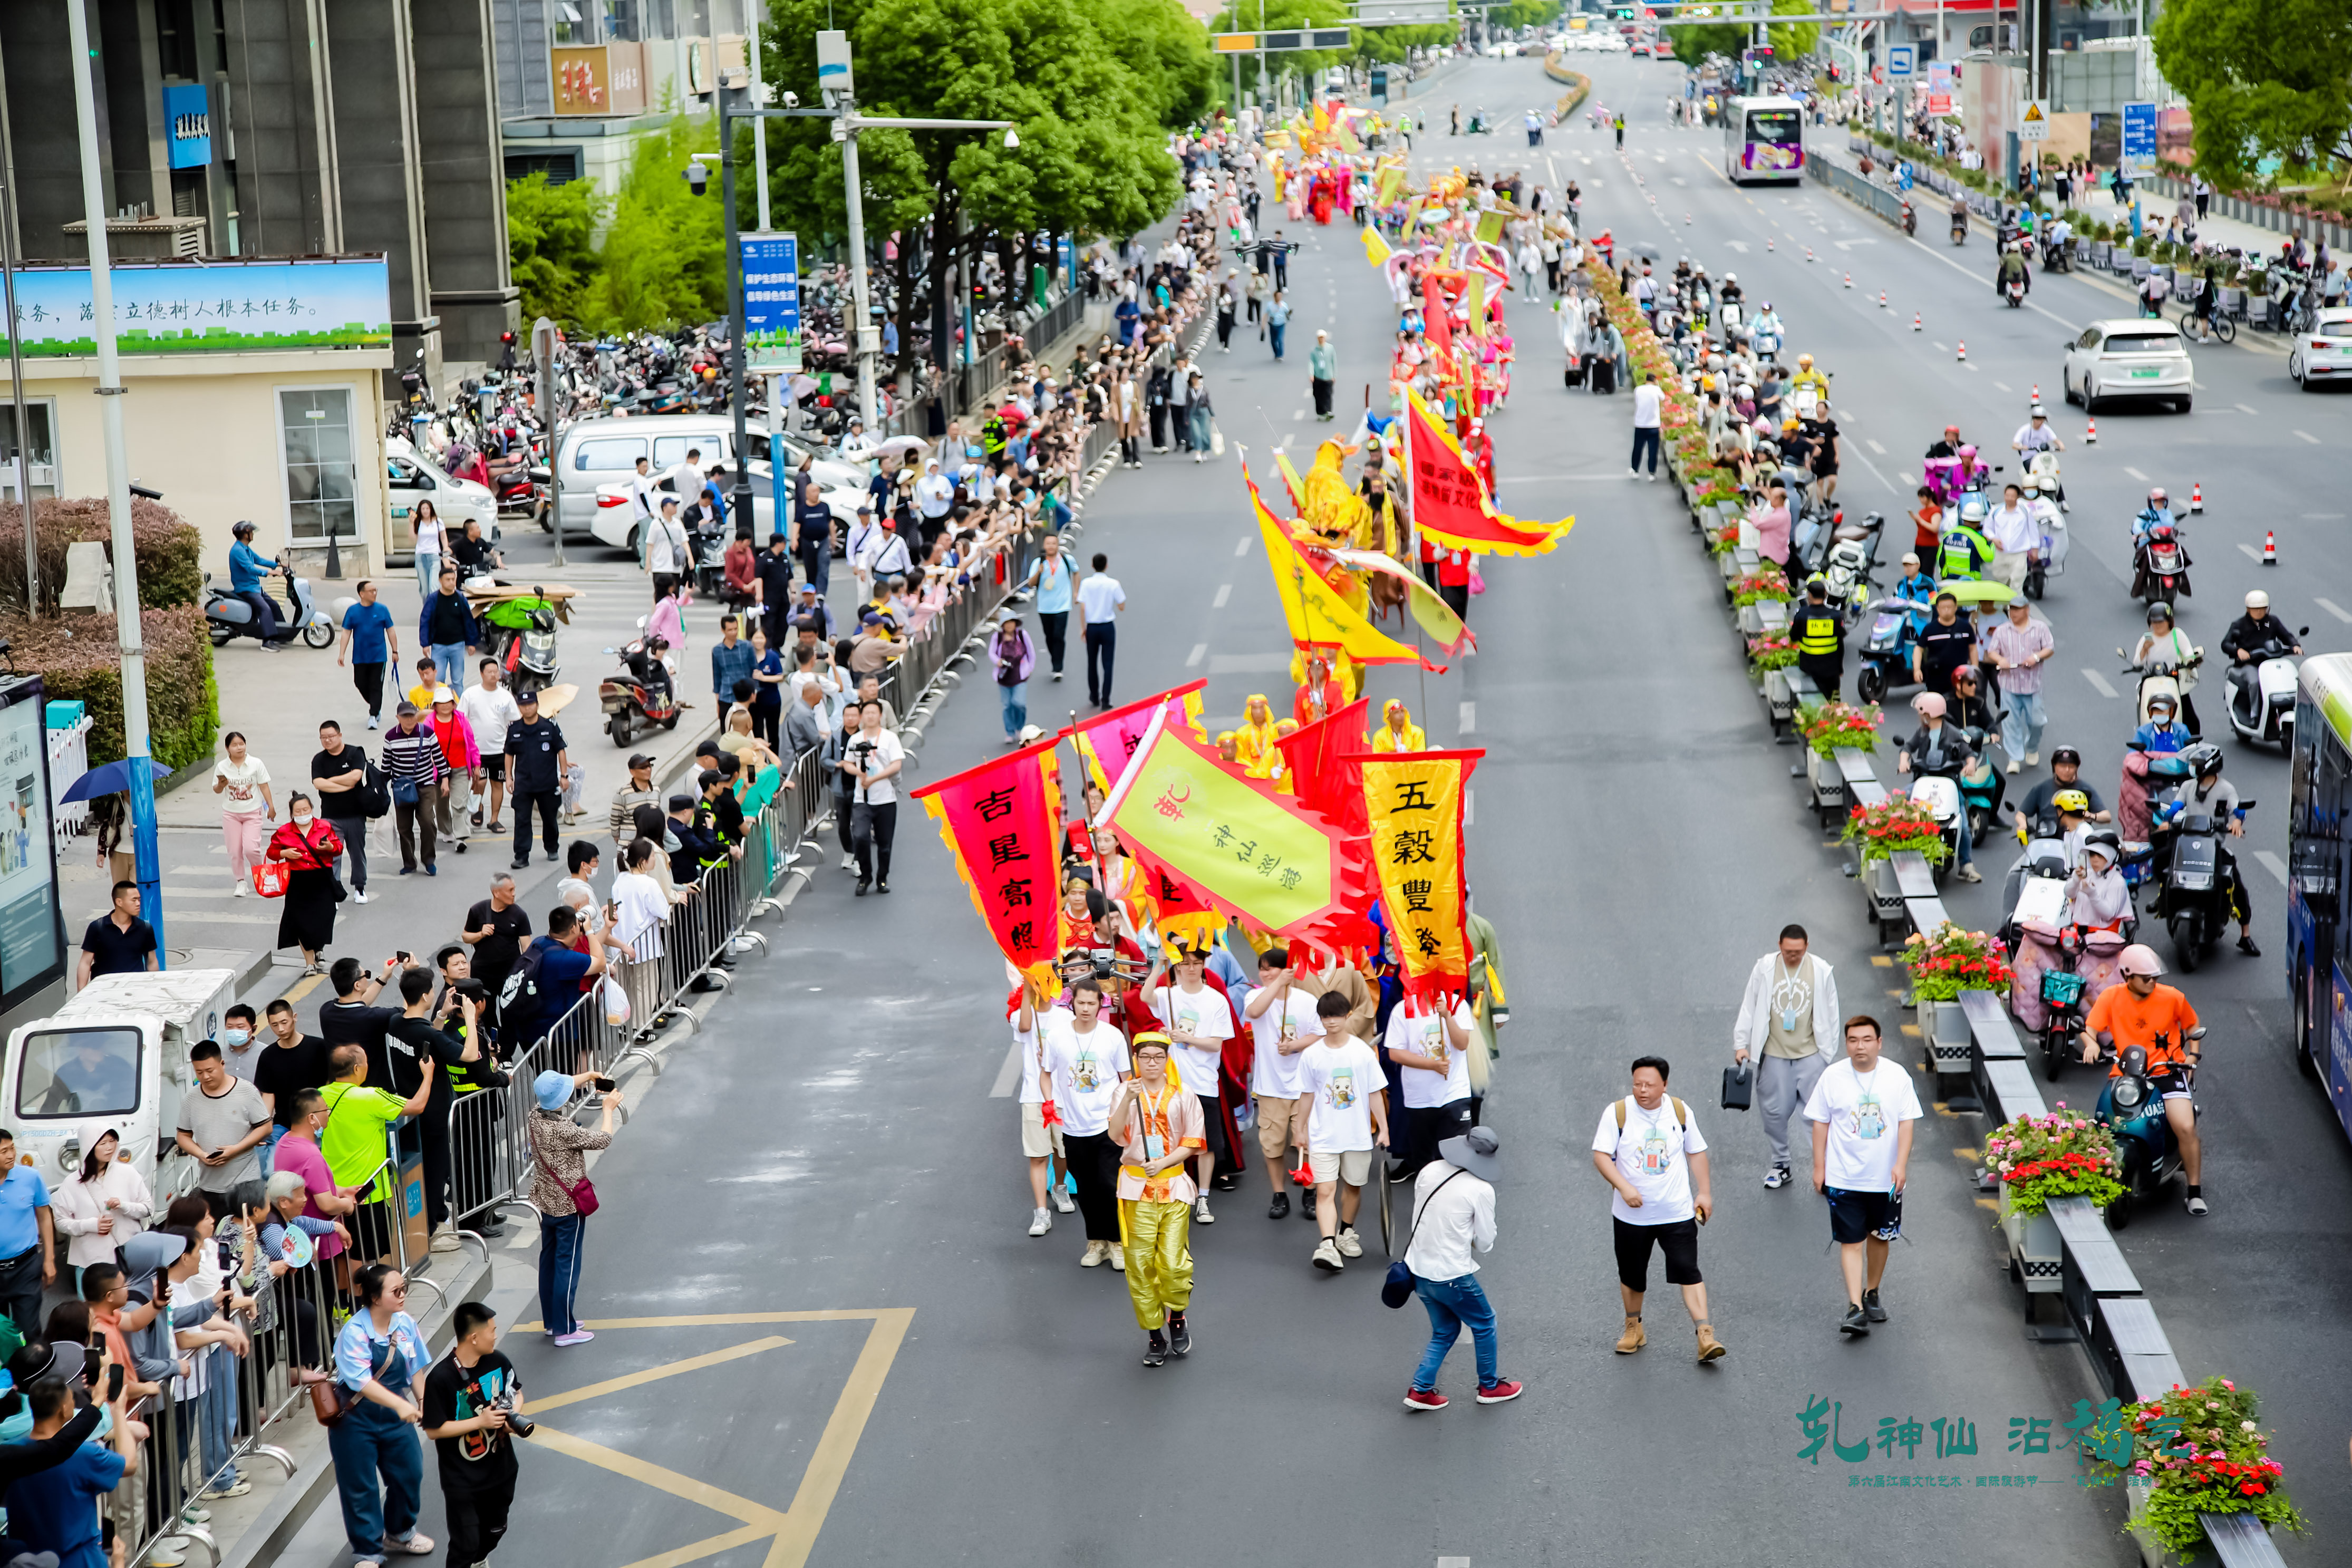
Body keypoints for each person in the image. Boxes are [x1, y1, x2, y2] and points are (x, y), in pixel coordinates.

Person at [1591, 1056, 1725, 1363]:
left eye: (1650, 1085)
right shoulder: (1618, 1113)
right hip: (1631, 1217)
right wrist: (1624, 1187)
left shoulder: (1679, 1111)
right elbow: (1601, 1155)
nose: (1642, 1090)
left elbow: (1697, 1152)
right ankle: (1633, 1327)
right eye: (1637, 1083)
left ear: (1664, 1085)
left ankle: (1705, 1335)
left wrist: (1704, 1192)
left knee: (1688, 1271)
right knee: (1632, 1275)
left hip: (1676, 1212)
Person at [1805, 1015, 1921, 1336]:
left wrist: (1901, 1164)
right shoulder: (1832, 1077)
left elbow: (1907, 1123)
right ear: (1847, 1044)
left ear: (1879, 1043)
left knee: (1879, 1237)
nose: (1860, 1046)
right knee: (1851, 1241)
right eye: (1854, 1040)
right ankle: (1854, 1306)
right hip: (1844, 1178)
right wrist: (1819, 1166)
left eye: (1867, 1040)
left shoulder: (1896, 1076)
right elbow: (1820, 1123)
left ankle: (1872, 1292)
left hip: (1885, 1178)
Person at [1400, 1125, 1520, 1411]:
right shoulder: (1480, 1189)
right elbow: (1486, 1241)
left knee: (1445, 1330)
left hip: (1418, 1270)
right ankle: (1490, 1387)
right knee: (1485, 1322)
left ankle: (1421, 1390)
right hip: (1452, 1275)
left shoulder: (1430, 1171)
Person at [2078, 944, 2206, 1211]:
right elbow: (2089, 1029)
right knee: (2105, 1126)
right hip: (2127, 1074)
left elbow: (2193, 1027)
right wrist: (2091, 1044)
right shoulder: (2111, 997)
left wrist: (2192, 1058)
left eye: (2155, 977)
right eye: (2146, 978)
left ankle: (2194, 1191)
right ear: (2127, 976)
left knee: (2185, 1127)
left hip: (2166, 1073)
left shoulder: (2172, 997)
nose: (2152, 982)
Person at [327, 1262, 435, 1562]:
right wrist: (402, 1404)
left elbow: (415, 1367)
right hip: (354, 1419)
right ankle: (368, 1551)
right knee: (360, 1486)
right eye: (396, 1291)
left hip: (393, 1419)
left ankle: (400, 1533)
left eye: (405, 1289)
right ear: (376, 1298)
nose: (403, 1296)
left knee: (410, 1473)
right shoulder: (354, 1332)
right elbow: (360, 1380)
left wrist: (422, 1400)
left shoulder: (406, 1324)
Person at [1109, 1034, 1202, 1368]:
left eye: (1157, 1057)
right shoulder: (1124, 1092)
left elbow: (1193, 1141)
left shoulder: (1183, 1094)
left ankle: (1177, 1316)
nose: (1151, 1063)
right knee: (1140, 1265)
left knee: (1174, 1263)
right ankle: (1154, 1334)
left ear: (1166, 1060)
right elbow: (1114, 1134)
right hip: (1136, 1189)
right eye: (1145, 1057)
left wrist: (1162, 1164)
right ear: (1136, 1060)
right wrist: (1126, 1102)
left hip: (1174, 1186)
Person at [1730, 924, 1839, 1190]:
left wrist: (1827, 1054)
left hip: (1810, 1055)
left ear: (1807, 946)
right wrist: (1741, 1044)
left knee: (1816, 1116)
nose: (1794, 956)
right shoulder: (1765, 968)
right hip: (1774, 1055)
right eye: (1789, 951)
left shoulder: (1821, 970)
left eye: (1799, 951)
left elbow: (1832, 1011)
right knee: (1774, 1113)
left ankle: (1823, 1170)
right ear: (1780, 946)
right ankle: (1781, 1164)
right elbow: (1750, 1005)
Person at [1290, 990, 1390, 1274]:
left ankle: (1346, 1233)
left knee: (1354, 1187)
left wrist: (1383, 1129)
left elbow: (1374, 1093)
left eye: (1336, 1016)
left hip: (1357, 1135)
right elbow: (1307, 1096)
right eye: (1325, 1017)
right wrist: (1300, 1129)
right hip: (1323, 1136)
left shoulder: (1362, 1052)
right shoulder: (1311, 1055)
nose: (1331, 1022)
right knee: (1325, 1190)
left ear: (1347, 1016)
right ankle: (1328, 1244)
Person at [421, 1300, 523, 1568]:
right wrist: (481, 1421)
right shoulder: (441, 1379)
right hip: (462, 1480)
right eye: (492, 1330)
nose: (495, 1335)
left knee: (495, 1531)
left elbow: (517, 1393)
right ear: (474, 1337)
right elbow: (433, 1430)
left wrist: (511, 1416)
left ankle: (479, 1561)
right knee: (464, 1544)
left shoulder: (498, 1361)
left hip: (501, 1471)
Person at [5, 1372, 140, 1568]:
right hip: (81, 1560)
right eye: (72, 1400)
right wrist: (118, 1411)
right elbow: (129, 1465)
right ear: (64, 1408)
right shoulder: (83, 1454)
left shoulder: (12, 1454)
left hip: (27, 1561)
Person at [526, 1070, 617, 1346]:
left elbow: (556, 1090)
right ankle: (566, 1330)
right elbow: (603, 1139)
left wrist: (589, 1075)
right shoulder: (563, 1130)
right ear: (562, 1099)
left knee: (549, 1262)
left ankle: (554, 1322)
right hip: (568, 1205)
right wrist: (608, 1109)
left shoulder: (534, 1117)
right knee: (568, 1265)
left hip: (547, 1202)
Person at [175, 1040, 272, 1221]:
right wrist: (201, 1154)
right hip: (209, 1185)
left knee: (246, 1238)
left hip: (246, 1183)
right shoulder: (191, 1098)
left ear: (222, 1064)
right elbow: (183, 1136)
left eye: (210, 1071)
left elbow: (265, 1127)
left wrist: (236, 1149)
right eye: (199, 1072)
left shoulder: (246, 1091)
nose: (205, 1077)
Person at [2181, 743, 2259, 955]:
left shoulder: (2226, 789)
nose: (2192, 767)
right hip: (2188, 844)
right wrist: (2166, 820)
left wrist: (2237, 822)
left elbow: (2239, 809)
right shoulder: (2188, 786)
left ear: (2208, 766)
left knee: (2237, 884)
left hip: (2215, 846)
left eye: (2196, 764)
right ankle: (2163, 900)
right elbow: (2175, 807)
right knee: (2163, 863)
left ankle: (2245, 935)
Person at [267, 791, 344, 975]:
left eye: (305, 810)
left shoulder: (324, 827)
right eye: (298, 811)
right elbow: (272, 852)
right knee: (300, 922)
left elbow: (338, 848)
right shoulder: (284, 831)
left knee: (325, 916)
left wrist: (330, 847)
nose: (302, 814)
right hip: (298, 880)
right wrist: (286, 854)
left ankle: (319, 948)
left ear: (312, 809)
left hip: (321, 878)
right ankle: (309, 963)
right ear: (292, 813)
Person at [1983, 592, 2055, 772]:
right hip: (2009, 685)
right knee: (2011, 724)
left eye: (2017, 610)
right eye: (2011, 610)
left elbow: (2049, 648)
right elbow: (1992, 651)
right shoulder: (2002, 630)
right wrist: (2000, 660)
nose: (2013, 613)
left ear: (2027, 610)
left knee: (2037, 722)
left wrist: (2036, 657)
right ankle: (2014, 759)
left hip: (2033, 685)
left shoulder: (2039, 628)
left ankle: (2032, 748)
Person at [505, 688, 569, 869]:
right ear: (519, 707)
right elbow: (509, 753)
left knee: (549, 818)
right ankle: (522, 856)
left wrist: (564, 776)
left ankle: (551, 847)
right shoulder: (514, 729)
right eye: (523, 705)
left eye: (530, 704)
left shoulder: (549, 727)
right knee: (522, 820)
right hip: (523, 784)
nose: (527, 708)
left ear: (537, 705)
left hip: (547, 782)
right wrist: (509, 778)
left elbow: (561, 750)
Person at [2221, 590, 2303, 721]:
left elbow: (2286, 636)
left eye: (2262, 609)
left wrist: (2295, 645)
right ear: (2248, 609)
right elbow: (2225, 644)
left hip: (2271, 664)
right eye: (2255, 609)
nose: (2259, 612)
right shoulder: (2239, 625)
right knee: (2254, 682)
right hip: (2250, 665)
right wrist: (2238, 651)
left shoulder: (2273, 622)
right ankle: (2254, 714)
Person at [214, 731, 276, 896]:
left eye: (242, 744)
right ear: (228, 748)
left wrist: (271, 807)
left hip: (252, 812)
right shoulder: (222, 766)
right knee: (234, 851)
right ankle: (241, 882)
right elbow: (217, 789)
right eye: (235, 745)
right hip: (231, 814)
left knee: (251, 849)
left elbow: (264, 786)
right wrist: (221, 784)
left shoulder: (256, 763)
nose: (239, 747)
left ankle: (260, 876)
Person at [2131, 604, 2202, 737]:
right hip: (2152, 678)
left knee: (2190, 717)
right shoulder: (2147, 638)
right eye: (2154, 622)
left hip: (2173, 676)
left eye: (2161, 622)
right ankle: (2143, 730)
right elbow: (2137, 662)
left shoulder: (2177, 634)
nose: (2157, 625)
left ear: (2169, 621)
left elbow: (2188, 651)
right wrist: (2144, 649)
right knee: (2143, 700)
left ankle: (2194, 743)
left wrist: (2190, 660)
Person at [339, 579, 399, 729]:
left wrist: (395, 651)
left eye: (376, 590)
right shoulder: (353, 611)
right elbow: (346, 632)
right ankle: (375, 704)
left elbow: (390, 630)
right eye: (371, 591)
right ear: (362, 594)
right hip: (360, 656)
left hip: (379, 656)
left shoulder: (382, 609)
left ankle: (373, 715)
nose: (375, 593)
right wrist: (342, 654)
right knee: (359, 683)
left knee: (375, 685)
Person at [76, 880, 157, 988]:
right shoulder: (98, 928)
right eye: (134, 900)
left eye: (139, 900)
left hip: (135, 989)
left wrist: (153, 987)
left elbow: (152, 962)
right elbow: (85, 963)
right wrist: (81, 994)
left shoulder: (145, 928)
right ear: (119, 902)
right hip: (104, 989)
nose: (138, 904)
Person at [1077, 551, 1124, 711]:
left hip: (1092, 626)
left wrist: (1083, 627)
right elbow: (1122, 605)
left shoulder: (1086, 583)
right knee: (1108, 663)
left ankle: (1094, 695)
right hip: (1107, 625)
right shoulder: (1113, 584)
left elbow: (1082, 607)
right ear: (1106, 565)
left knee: (1092, 662)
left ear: (1092, 566)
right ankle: (1106, 699)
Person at [227, 518, 285, 645]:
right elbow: (250, 568)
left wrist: (278, 565)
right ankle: (267, 641)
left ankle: (282, 635)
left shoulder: (246, 549)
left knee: (274, 605)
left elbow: (259, 560)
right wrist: (269, 572)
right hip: (246, 589)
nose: (253, 534)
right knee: (265, 609)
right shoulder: (238, 551)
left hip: (255, 588)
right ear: (245, 535)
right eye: (251, 532)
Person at [1910, 593, 1977, 700]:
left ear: (1955, 608)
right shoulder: (1929, 629)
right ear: (1937, 609)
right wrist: (1917, 670)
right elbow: (1919, 649)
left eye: (1949, 607)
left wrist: (1975, 669)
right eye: (1943, 607)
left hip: (1960, 677)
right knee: (1936, 708)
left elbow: (1973, 648)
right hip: (1936, 679)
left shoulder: (1965, 628)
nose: (1946, 610)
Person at [1789, 577, 1844, 700]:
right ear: (1825, 594)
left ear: (1809, 595)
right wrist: (1840, 668)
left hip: (1809, 670)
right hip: (1832, 672)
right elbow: (1840, 644)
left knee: (1810, 704)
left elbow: (1793, 637)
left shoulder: (1802, 615)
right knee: (1834, 706)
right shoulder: (1835, 616)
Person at [991, 612, 1035, 746]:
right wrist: (997, 661)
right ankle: (1010, 732)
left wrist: (1030, 668)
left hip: (1019, 673)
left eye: (1012, 622)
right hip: (1004, 675)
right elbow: (991, 652)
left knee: (1019, 703)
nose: (1010, 625)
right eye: (1007, 622)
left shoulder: (1022, 635)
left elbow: (1031, 652)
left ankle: (1020, 727)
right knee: (1007, 705)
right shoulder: (997, 637)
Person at [1628, 370, 1662, 480]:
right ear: (1655, 380)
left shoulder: (1638, 389)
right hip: (1653, 424)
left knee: (1637, 448)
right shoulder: (1657, 389)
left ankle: (1635, 469)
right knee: (1653, 450)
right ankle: (1651, 473)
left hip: (1640, 423)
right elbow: (1663, 398)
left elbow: (1637, 401)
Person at [1308, 328, 1337, 421]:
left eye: (1323, 338)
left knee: (1328, 394)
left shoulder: (1330, 348)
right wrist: (1311, 374)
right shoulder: (1314, 350)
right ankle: (1320, 413)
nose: (1321, 340)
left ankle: (1328, 411)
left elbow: (1334, 362)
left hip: (1328, 376)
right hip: (1318, 377)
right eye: (1320, 338)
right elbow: (1311, 363)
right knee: (1318, 395)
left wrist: (1334, 375)